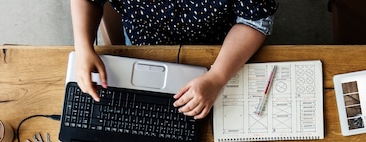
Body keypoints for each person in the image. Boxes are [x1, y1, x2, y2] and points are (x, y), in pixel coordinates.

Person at [69, 0, 278, 119]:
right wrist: (83, 47)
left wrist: (217, 76)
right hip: (144, 44)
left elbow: (255, 20)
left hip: (219, 49)